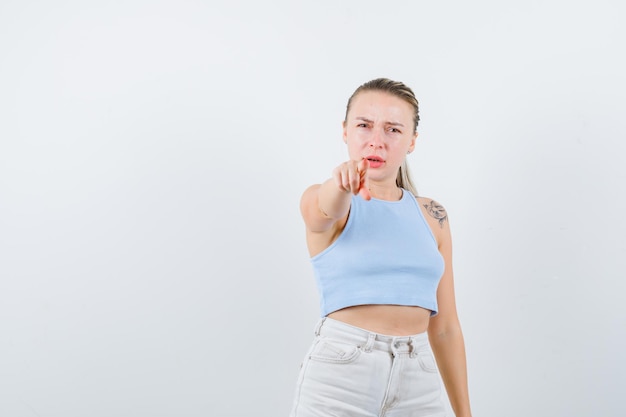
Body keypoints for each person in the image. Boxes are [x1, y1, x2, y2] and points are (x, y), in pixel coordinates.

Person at [289, 78, 472, 417]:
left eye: (393, 130)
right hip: (341, 375)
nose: (376, 141)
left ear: (412, 142)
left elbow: (445, 326)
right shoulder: (326, 199)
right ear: (345, 131)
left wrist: (465, 413)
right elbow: (321, 212)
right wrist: (341, 182)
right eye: (364, 125)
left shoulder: (434, 216)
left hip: (420, 377)